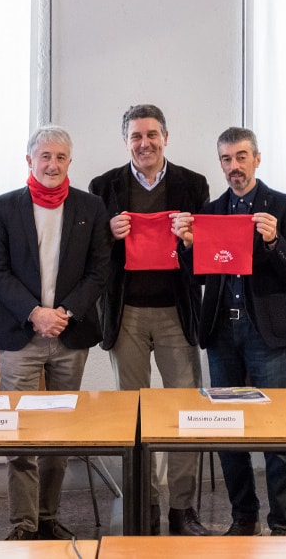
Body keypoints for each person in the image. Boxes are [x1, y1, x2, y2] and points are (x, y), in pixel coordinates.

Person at [173, 127, 286, 536]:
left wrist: (273, 242)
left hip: (266, 333)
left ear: (257, 158)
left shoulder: (284, 208)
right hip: (222, 334)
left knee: (275, 432)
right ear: (221, 163)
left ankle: (283, 524)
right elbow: (197, 277)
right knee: (227, 429)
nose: (235, 166)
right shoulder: (211, 211)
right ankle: (243, 516)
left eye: (242, 157)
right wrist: (186, 245)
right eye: (228, 159)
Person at [0, 125, 112, 541]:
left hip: (69, 335)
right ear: (29, 160)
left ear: (69, 162)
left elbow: (99, 271)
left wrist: (65, 312)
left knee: (59, 431)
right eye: (44, 156)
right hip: (20, 334)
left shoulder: (91, 208)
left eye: (60, 157)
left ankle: (46, 517)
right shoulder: (3, 208)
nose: (52, 164)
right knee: (20, 432)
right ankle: (22, 524)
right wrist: (35, 312)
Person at [89, 104, 210, 536]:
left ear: (166, 137)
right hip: (127, 314)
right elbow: (93, 255)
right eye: (136, 136)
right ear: (125, 141)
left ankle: (182, 509)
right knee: (134, 412)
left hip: (177, 312)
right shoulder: (103, 187)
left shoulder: (193, 185)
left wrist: (193, 239)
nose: (145, 143)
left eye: (152, 135)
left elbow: (208, 253)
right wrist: (109, 232)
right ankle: (146, 505)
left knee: (183, 411)